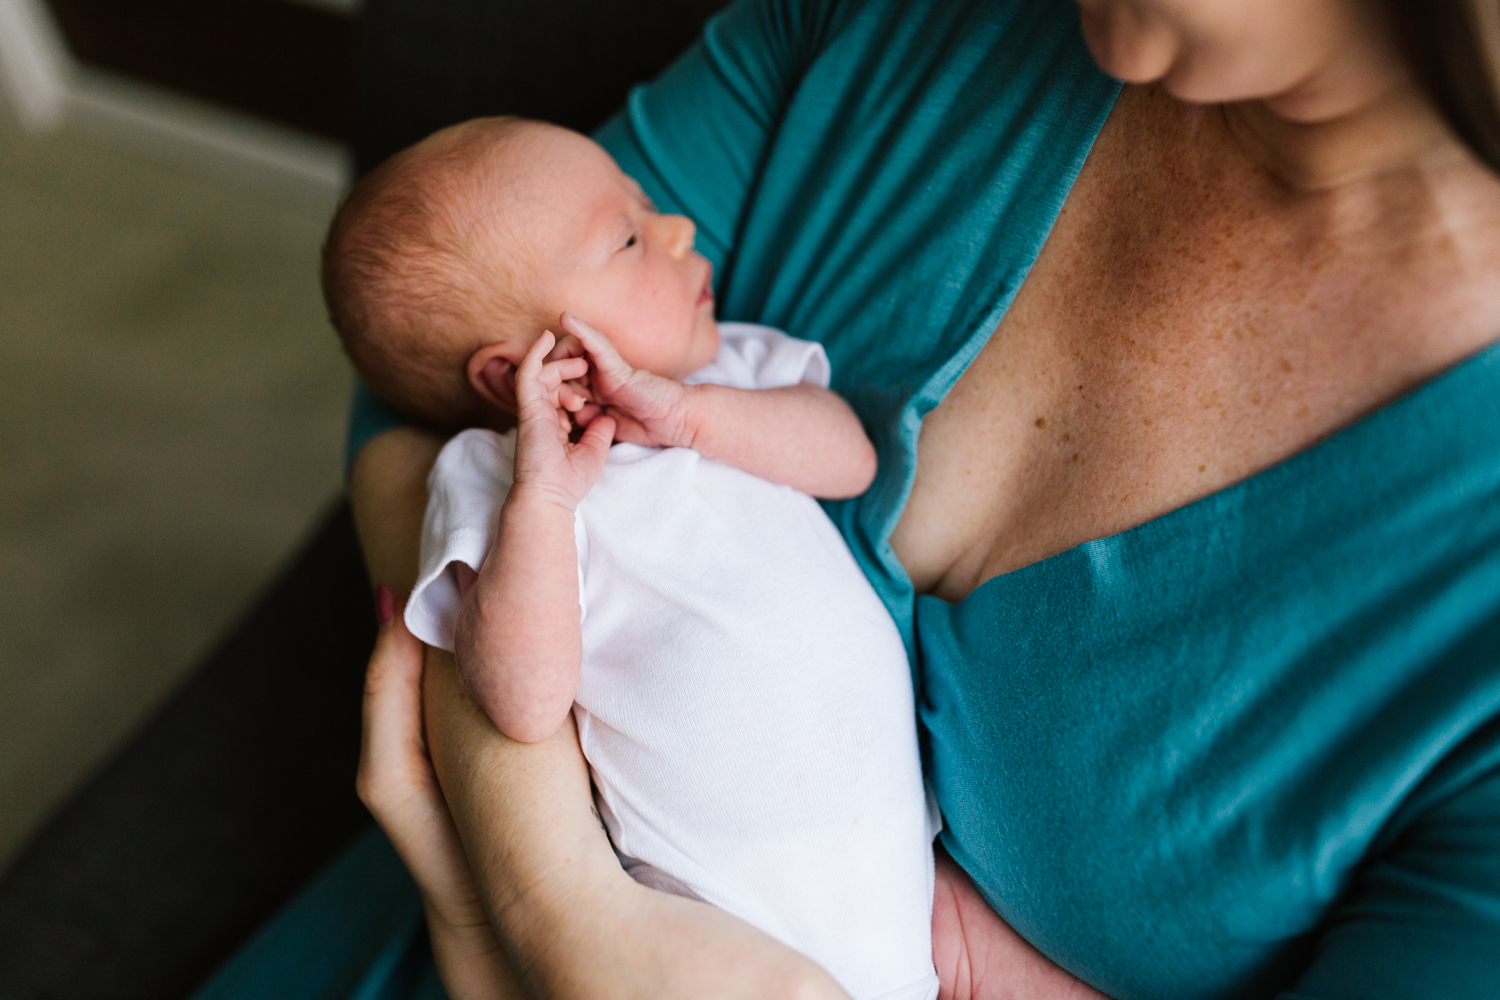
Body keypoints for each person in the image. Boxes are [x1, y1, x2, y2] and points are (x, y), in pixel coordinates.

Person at [196, 0, 1500, 996]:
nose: (676, 240)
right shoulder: (885, 30)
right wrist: (542, 915)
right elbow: (424, 395)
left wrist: (529, 914)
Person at [320, 116, 938, 1000]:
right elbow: (523, 701)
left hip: (900, 905)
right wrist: (548, 497)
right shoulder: (491, 482)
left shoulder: (728, 370)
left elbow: (854, 459)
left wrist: (695, 416)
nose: (681, 227)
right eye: (629, 236)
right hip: (710, 932)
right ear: (521, 373)